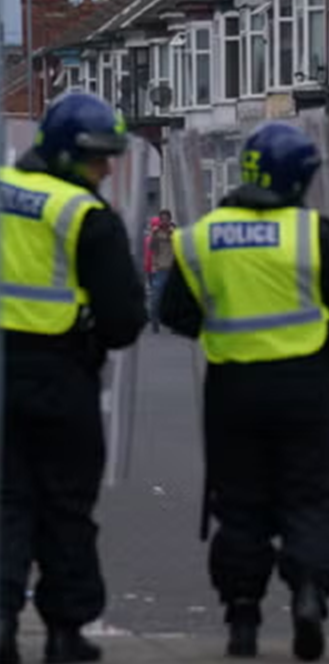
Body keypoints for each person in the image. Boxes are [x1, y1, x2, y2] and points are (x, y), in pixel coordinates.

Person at [160, 122, 329, 661]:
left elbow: (173, 313)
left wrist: (225, 328)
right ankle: (309, 591)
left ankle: (241, 616)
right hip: (306, 388)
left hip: (232, 391)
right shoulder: (316, 237)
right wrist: (323, 350)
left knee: (240, 507)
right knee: (310, 499)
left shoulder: (201, 237)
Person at [0, 93, 147, 664]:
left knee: (7, 502)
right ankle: (64, 631)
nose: (107, 170)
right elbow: (124, 322)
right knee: (65, 507)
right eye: (97, 159)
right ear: (66, 154)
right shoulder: (86, 216)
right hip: (61, 375)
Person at [149, 209, 176, 333]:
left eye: (166, 219)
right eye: (162, 219)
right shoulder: (156, 233)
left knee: (174, 298)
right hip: (160, 269)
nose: (164, 221)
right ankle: (155, 321)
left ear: (170, 220)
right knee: (156, 298)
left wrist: (172, 235)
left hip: (173, 269)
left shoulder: (175, 231)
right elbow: (152, 249)